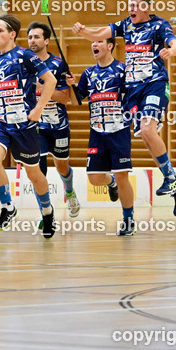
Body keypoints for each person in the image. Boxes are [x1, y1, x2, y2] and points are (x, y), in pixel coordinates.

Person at [73, 0, 176, 214]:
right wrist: (83, 31)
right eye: (129, 5)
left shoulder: (159, 25)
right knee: (146, 136)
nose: (131, 9)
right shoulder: (126, 25)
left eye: (136, 5)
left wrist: (171, 51)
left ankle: (172, 180)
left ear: (146, 7)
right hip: (134, 90)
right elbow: (99, 32)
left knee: (147, 128)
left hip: (154, 83)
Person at [0, 14, 58, 238]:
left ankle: (47, 212)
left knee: (34, 174)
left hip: (24, 125)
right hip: (0, 122)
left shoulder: (26, 55)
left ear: (12, 34)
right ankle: (8, 207)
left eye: (0, 31)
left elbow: (51, 81)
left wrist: (39, 109)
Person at [72, 38, 135, 235]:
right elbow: (76, 101)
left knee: (123, 175)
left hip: (119, 131)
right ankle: (111, 182)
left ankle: (128, 220)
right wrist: (72, 85)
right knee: (94, 178)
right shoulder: (89, 73)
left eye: (99, 41)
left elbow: (134, 97)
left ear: (110, 46)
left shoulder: (123, 70)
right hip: (97, 132)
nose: (94, 45)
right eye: (92, 42)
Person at [26, 21, 80, 218]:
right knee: (38, 171)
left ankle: (70, 191)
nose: (32, 40)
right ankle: (45, 213)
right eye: (30, 37)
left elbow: (66, 98)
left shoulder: (58, 64)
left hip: (58, 125)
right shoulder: (25, 63)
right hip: (35, 125)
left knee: (62, 166)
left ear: (46, 40)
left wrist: (43, 90)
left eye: (37, 37)